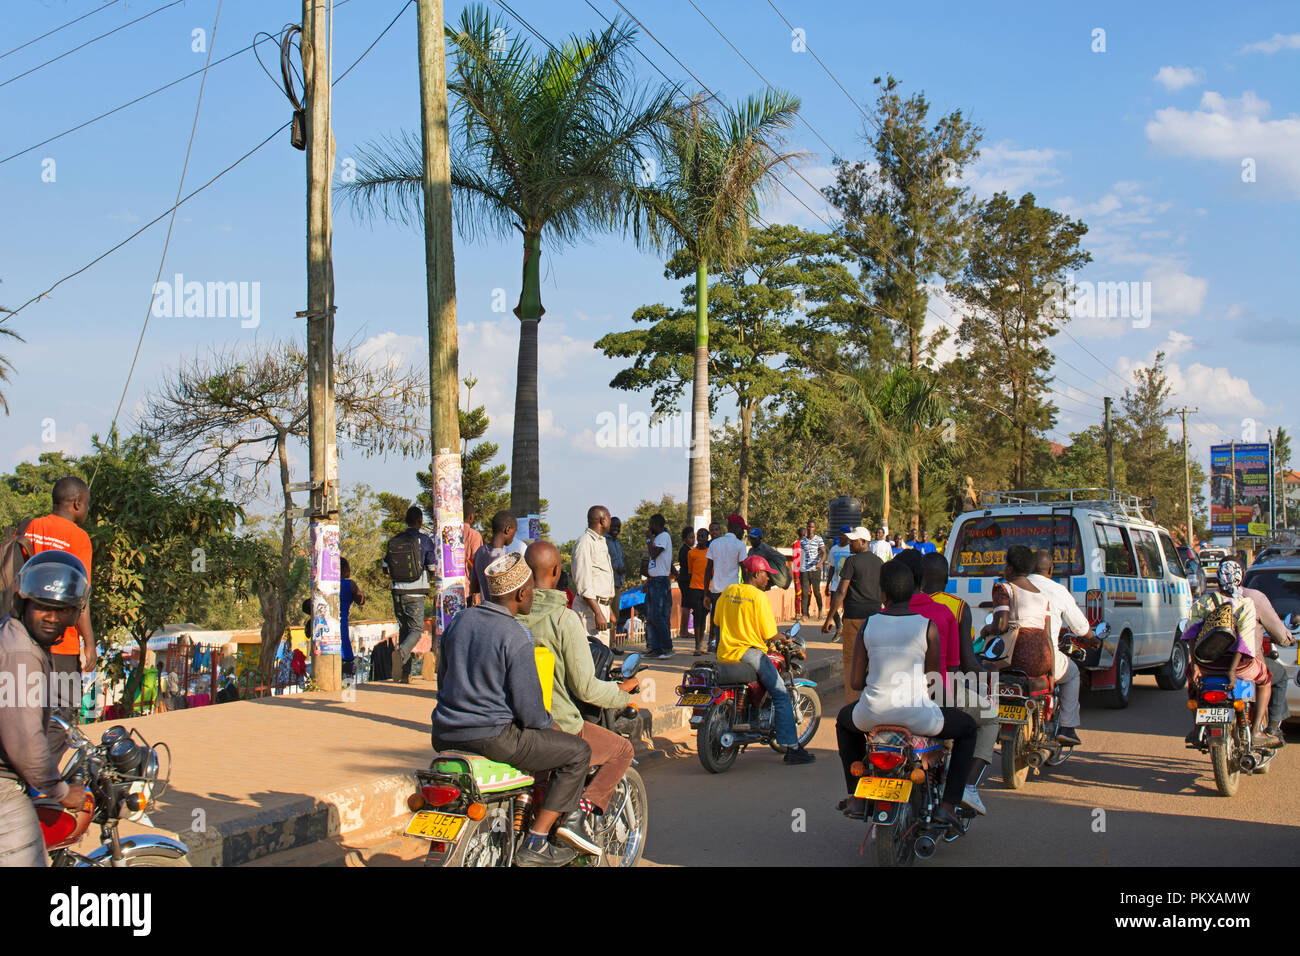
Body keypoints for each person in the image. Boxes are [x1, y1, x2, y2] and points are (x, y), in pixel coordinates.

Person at [431, 552, 592, 866]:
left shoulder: (461, 620)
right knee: (577, 753)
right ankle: (538, 840)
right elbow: (530, 711)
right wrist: (553, 726)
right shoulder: (517, 634)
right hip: (493, 737)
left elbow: (443, 678)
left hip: (444, 733)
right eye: (531, 589)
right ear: (521, 593)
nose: (533, 594)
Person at [834, 560, 977, 824]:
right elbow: (933, 684)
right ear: (913, 591)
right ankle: (947, 805)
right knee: (967, 728)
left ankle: (856, 795)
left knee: (844, 723)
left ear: (883, 594)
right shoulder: (927, 626)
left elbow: (855, 682)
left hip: (871, 715)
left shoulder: (867, 625)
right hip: (918, 717)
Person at [518, 542, 637, 851]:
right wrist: (622, 694)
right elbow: (586, 688)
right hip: (555, 722)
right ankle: (579, 817)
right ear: (558, 572)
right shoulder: (563, 619)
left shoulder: (510, 614)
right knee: (621, 750)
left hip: (512, 724)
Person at [0, 552, 91, 866]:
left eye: (62, 609)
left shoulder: (14, 635)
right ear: (24, 603)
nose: (52, 617)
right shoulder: (21, 654)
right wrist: (61, 790)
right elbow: (26, 744)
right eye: (42, 606)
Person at [714, 554, 815, 765]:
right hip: (749, 654)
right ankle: (792, 748)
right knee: (780, 694)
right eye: (766, 575)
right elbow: (770, 635)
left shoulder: (729, 591)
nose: (768, 579)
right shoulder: (759, 598)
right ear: (757, 574)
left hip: (725, 653)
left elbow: (717, 620)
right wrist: (786, 639)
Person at [983, 545, 1085, 747]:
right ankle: (1066, 726)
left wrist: (987, 630)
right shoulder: (1043, 596)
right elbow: (1047, 635)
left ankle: (984, 721)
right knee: (1073, 674)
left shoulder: (1003, 588)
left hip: (1012, 658)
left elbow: (1001, 625)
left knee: (978, 666)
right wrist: (1050, 675)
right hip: (1043, 659)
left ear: (1009, 568)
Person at [922, 552, 996, 815]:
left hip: (902, 690)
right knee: (989, 715)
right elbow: (964, 663)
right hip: (940, 689)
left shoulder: (904, 604)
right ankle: (966, 786)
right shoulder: (955, 607)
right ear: (947, 578)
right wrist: (986, 670)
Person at [23, 477, 96, 726]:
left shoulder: (30, 526)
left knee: (26, 712)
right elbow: (80, 597)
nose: (87, 510)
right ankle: (46, 765)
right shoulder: (79, 538)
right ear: (77, 504)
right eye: (87, 504)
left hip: (26, 638)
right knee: (62, 719)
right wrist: (89, 642)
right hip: (62, 643)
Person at [1185, 560, 1275, 747]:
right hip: (1239, 666)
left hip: (1206, 665)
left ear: (1217, 582)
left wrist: (1195, 665)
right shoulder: (1245, 604)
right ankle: (1257, 730)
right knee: (1265, 679)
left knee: (1193, 686)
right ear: (1240, 581)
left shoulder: (1204, 601)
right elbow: (1244, 643)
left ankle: (1196, 729)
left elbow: (1191, 634)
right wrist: (1232, 672)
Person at [823, 527, 883, 704]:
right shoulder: (879, 562)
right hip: (875, 618)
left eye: (853, 540)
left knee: (850, 659)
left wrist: (829, 618)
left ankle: (851, 702)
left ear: (864, 542)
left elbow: (841, 591)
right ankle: (875, 699)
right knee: (873, 659)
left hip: (853, 618)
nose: (850, 543)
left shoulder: (852, 561)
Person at [382, 506, 437, 684]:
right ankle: (401, 654)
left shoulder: (395, 540)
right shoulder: (424, 540)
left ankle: (405, 674)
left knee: (404, 630)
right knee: (416, 631)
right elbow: (432, 567)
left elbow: (385, 566)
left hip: (397, 591)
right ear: (420, 521)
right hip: (415, 592)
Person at [1240, 578, 1296, 742]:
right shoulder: (1253, 598)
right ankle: (1269, 728)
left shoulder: (1210, 600)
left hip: (1213, 664)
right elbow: (1279, 633)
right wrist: (1287, 640)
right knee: (1278, 675)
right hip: (1247, 663)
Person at [571, 506, 616, 648]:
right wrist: (598, 612)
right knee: (592, 655)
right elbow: (583, 583)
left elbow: (600, 581)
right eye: (609, 517)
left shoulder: (601, 542)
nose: (611, 521)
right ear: (602, 520)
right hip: (590, 610)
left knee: (603, 656)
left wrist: (609, 610)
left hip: (602, 608)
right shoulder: (585, 543)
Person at [704, 515, 749, 653]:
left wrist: (706, 593)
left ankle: (719, 649)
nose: (743, 532)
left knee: (718, 623)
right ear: (735, 528)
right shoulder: (740, 545)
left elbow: (707, 570)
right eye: (742, 529)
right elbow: (744, 569)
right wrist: (747, 590)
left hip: (716, 592)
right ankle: (729, 652)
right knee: (731, 624)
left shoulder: (715, 544)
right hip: (732, 592)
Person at [469, 511, 517, 602]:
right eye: (515, 531)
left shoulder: (480, 552)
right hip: (499, 611)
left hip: (484, 608)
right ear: (508, 529)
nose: (514, 536)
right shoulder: (503, 559)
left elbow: (474, 588)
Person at [644, 514, 674, 659]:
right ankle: (655, 647)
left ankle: (667, 647)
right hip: (653, 580)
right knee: (650, 616)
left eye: (651, 524)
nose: (649, 527)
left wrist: (649, 539)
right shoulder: (659, 538)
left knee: (658, 615)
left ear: (656, 524)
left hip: (660, 580)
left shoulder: (663, 536)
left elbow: (654, 554)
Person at [685, 528, 711, 655]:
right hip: (695, 587)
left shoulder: (710, 553)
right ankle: (697, 646)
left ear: (707, 538)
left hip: (708, 589)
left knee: (704, 615)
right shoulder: (691, 553)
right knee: (697, 615)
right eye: (699, 536)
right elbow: (690, 571)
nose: (701, 538)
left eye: (703, 536)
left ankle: (701, 644)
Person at [339, 557, 365, 680]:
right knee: (346, 658)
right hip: (342, 628)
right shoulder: (349, 584)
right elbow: (360, 600)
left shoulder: (323, 584)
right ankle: (347, 691)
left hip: (325, 635)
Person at [798, 520, 826, 622]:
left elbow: (824, 552)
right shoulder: (802, 541)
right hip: (805, 570)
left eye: (812, 527)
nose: (810, 529)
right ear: (807, 527)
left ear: (815, 528)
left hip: (815, 570)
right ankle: (805, 614)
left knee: (816, 591)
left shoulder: (818, 539)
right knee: (805, 592)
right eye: (809, 527)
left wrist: (820, 563)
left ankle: (820, 610)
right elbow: (800, 556)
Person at [825, 529, 852, 635]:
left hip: (847, 584)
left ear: (847, 537)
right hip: (836, 583)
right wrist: (828, 584)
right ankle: (839, 625)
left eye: (843, 536)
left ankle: (845, 628)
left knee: (847, 607)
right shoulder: (834, 549)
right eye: (839, 536)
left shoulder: (851, 549)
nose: (840, 538)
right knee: (833, 605)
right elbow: (831, 568)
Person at [604, 517, 626, 646]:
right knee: (606, 615)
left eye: (618, 527)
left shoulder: (617, 543)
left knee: (615, 616)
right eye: (614, 527)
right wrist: (615, 568)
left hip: (617, 583)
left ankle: (612, 644)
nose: (616, 530)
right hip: (607, 584)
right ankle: (605, 644)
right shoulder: (604, 541)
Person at [462, 506, 484, 607]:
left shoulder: (450, 534)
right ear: (471, 517)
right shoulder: (474, 535)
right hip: (468, 589)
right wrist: (477, 592)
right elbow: (477, 564)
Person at [676, 527, 695, 643]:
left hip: (684, 578)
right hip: (686, 579)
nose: (693, 540)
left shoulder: (686, 550)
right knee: (686, 604)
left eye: (693, 537)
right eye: (691, 537)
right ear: (685, 539)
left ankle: (683, 630)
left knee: (686, 604)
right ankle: (683, 630)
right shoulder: (686, 551)